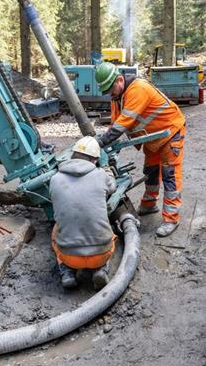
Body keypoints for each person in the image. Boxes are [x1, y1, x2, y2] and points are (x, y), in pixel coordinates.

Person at [93, 61, 186, 237]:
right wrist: (110, 149)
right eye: (106, 91)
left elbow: (122, 125)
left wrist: (99, 143)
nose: (109, 94)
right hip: (153, 136)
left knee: (170, 175)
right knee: (150, 170)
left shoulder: (138, 89)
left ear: (120, 80)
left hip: (170, 131)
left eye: (110, 89)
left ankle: (171, 218)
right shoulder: (117, 98)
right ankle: (149, 204)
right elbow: (115, 125)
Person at [49, 136, 116, 290]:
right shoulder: (101, 175)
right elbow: (112, 187)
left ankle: (66, 272)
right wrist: (107, 170)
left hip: (70, 256)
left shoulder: (55, 179)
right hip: (100, 254)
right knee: (110, 232)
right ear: (95, 160)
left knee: (55, 230)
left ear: (72, 155)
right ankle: (101, 269)